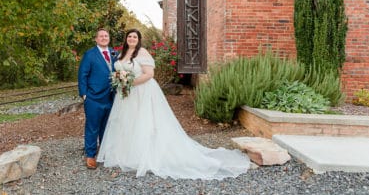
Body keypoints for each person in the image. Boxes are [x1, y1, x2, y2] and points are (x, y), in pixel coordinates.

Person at [97, 29, 251, 179]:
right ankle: (126, 153)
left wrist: (129, 83)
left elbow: (149, 74)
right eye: (129, 36)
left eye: (134, 37)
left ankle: (144, 155)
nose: (131, 39)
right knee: (127, 122)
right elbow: (118, 71)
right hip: (125, 95)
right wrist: (121, 82)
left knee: (143, 122)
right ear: (126, 39)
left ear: (138, 40)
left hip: (141, 91)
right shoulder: (121, 53)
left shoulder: (142, 52)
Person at [78, 28, 117, 169]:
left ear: (109, 38)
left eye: (106, 36)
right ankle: (90, 155)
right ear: (96, 39)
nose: (104, 38)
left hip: (111, 97)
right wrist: (84, 94)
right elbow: (82, 75)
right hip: (93, 97)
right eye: (101, 36)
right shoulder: (89, 54)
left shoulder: (114, 53)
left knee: (106, 127)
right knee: (92, 127)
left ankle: (104, 152)